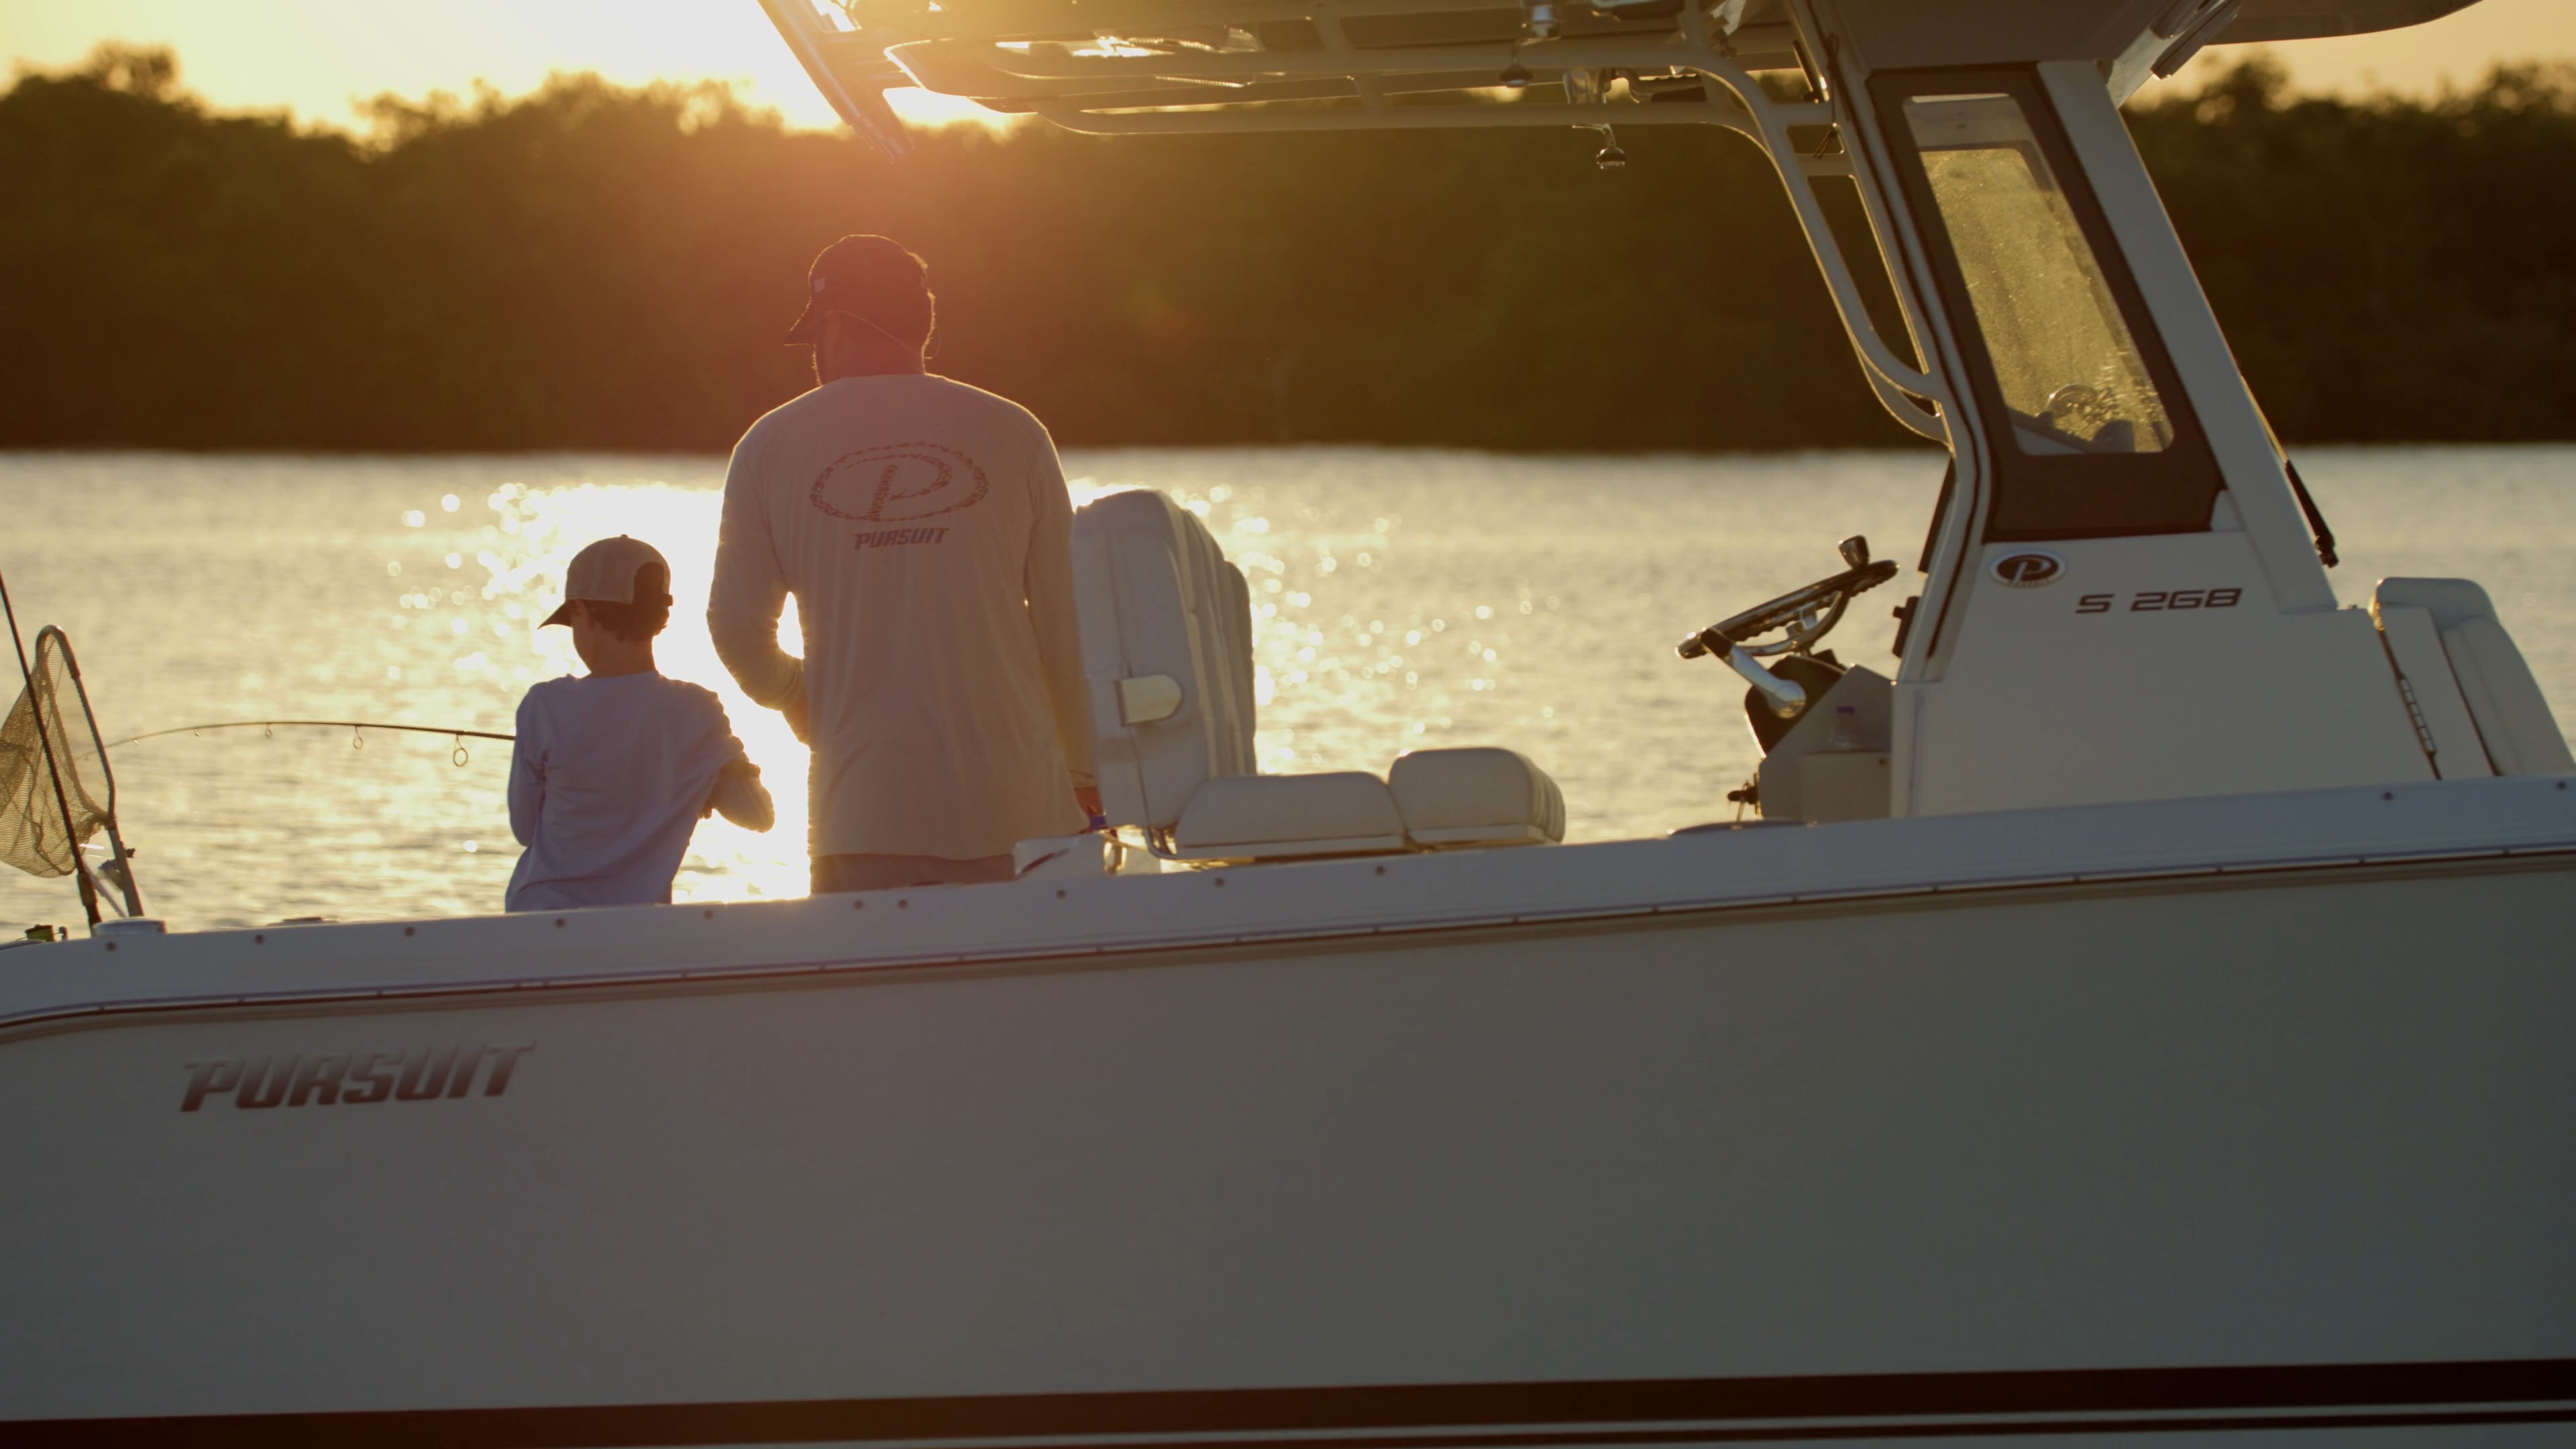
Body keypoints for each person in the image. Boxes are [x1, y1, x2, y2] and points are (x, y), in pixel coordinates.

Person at [708, 235, 1096, 894]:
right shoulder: (1016, 433)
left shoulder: (768, 446)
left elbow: (736, 629)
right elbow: (1068, 629)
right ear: (926, 323)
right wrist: (1086, 775)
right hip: (1025, 821)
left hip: (863, 823)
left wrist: (797, 693)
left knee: (878, 1000)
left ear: (833, 325)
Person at [506, 535, 774, 912]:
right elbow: (758, 816)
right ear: (657, 617)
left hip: (539, 917)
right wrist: (710, 780)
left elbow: (524, 829)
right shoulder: (697, 710)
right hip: (638, 931)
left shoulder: (544, 705)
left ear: (583, 612)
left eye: (572, 621)